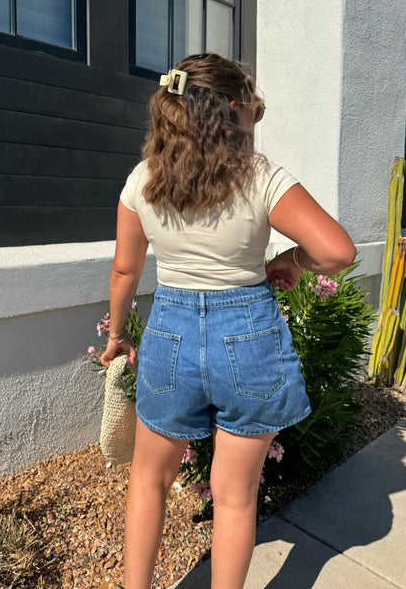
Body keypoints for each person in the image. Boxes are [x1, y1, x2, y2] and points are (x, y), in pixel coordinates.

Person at [100, 53, 356, 589]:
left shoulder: (143, 179)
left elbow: (125, 269)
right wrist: (293, 260)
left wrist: (119, 334)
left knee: (148, 480)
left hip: (170, 334)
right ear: (233, 109)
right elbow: (336, 251)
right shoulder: (259, 177)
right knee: (236, 497)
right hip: (248, 335)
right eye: (253, 113)